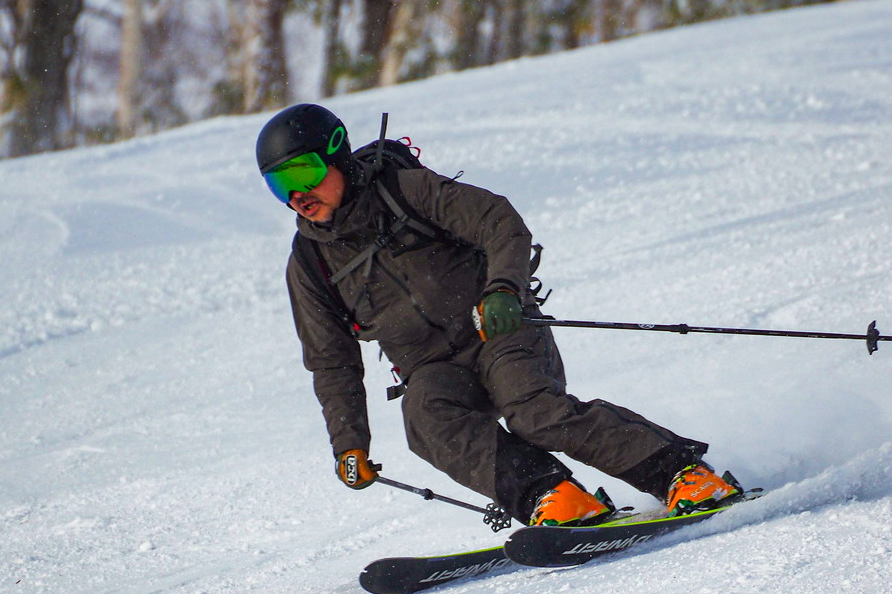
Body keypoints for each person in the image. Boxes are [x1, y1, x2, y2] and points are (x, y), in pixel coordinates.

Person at [261, 102, 744, 527]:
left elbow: (498, 221)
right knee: (425, 419)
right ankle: (552, 496)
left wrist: (503, 290)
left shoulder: (406, 191)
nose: (297, 194)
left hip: (496, 326)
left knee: (535, 414)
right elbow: (332, 360)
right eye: (280, 184)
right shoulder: (310, 263)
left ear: (337, 156)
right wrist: (349, 443)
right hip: (434, 369)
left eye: (304, 173)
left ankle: (681, 473)